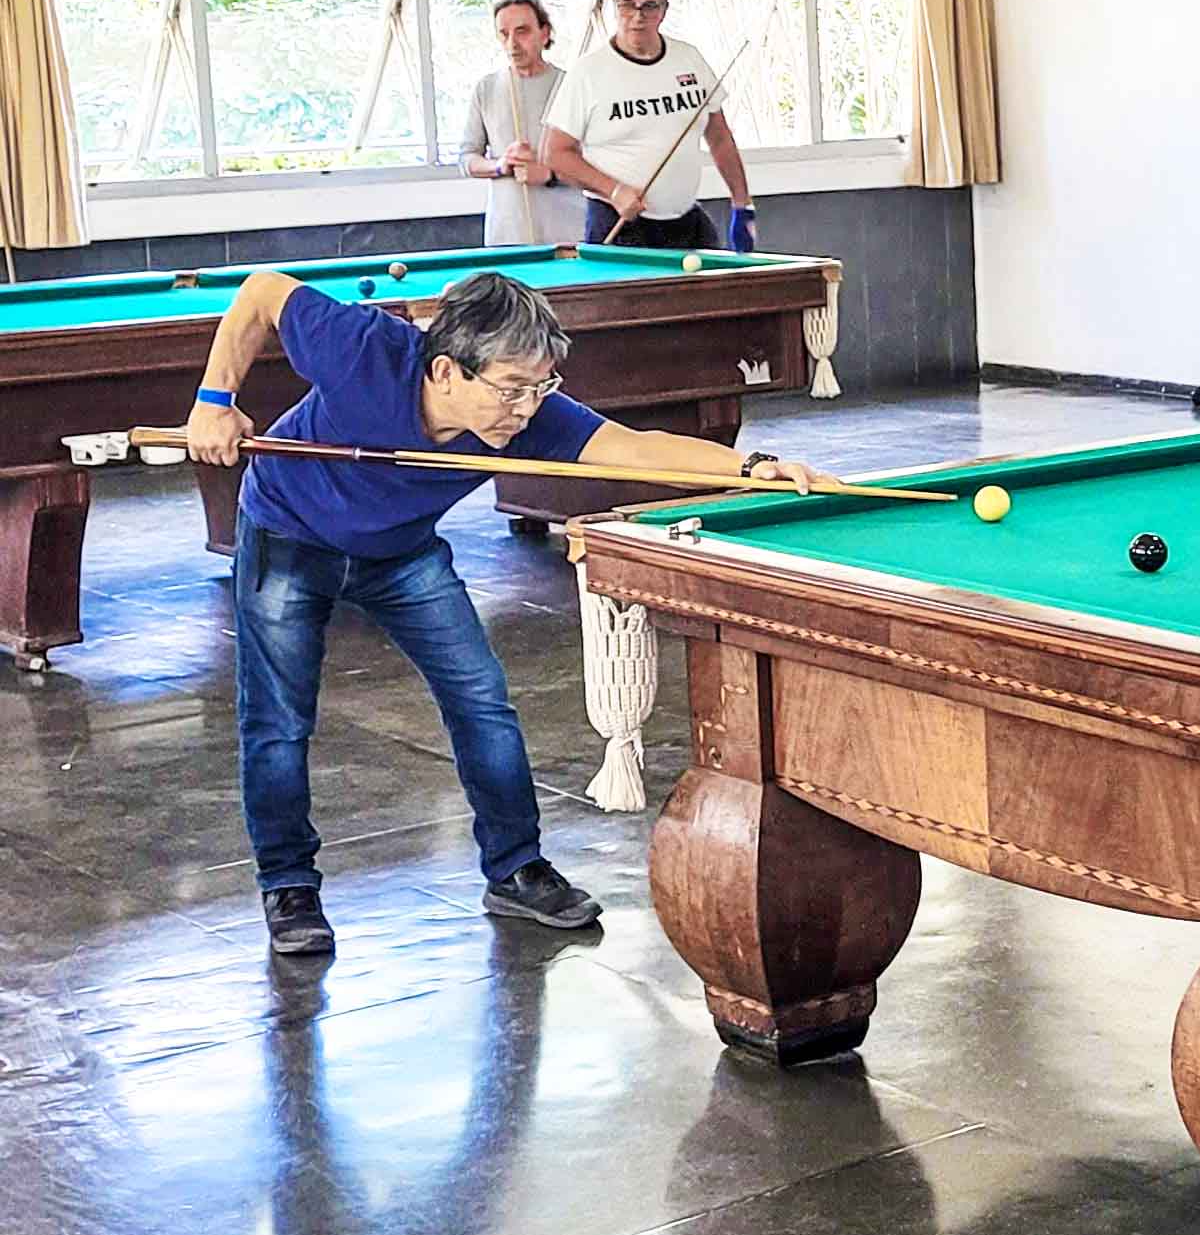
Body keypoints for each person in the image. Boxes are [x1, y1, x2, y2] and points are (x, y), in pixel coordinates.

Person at [185, 268, 823, 957]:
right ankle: (288, 885)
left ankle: (516, 868)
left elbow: (632, 448)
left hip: (400, 551)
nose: (526, 409)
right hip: (289, 532)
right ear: (446, 371)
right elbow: (262, 292)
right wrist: (214, 402)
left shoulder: (529, 417)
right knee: (278, 721)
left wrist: (752, 467)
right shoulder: (363, 349)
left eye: (540, 387)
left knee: (482, 700)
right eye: (512, 389)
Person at [543, 0, 759, 254]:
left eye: (649, 6)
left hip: (686, 221)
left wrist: (742, 204)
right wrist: (613, 190)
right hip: (619, 223)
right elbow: (556, 154)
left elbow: (719, 137)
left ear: (664, 10)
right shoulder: (588, 72)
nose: (637, 17)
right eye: (627, 5)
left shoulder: (688, 58)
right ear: (615, 7)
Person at [460, 0, 588, 246]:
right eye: (504, 34)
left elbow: (596, 164)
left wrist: (550, 175)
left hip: (569, 235)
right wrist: (500, 166)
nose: (512, 44)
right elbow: (467, 159)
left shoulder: (572, 87)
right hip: (507, 237)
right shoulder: (486, 88)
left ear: (545, 33)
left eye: (522, 31)